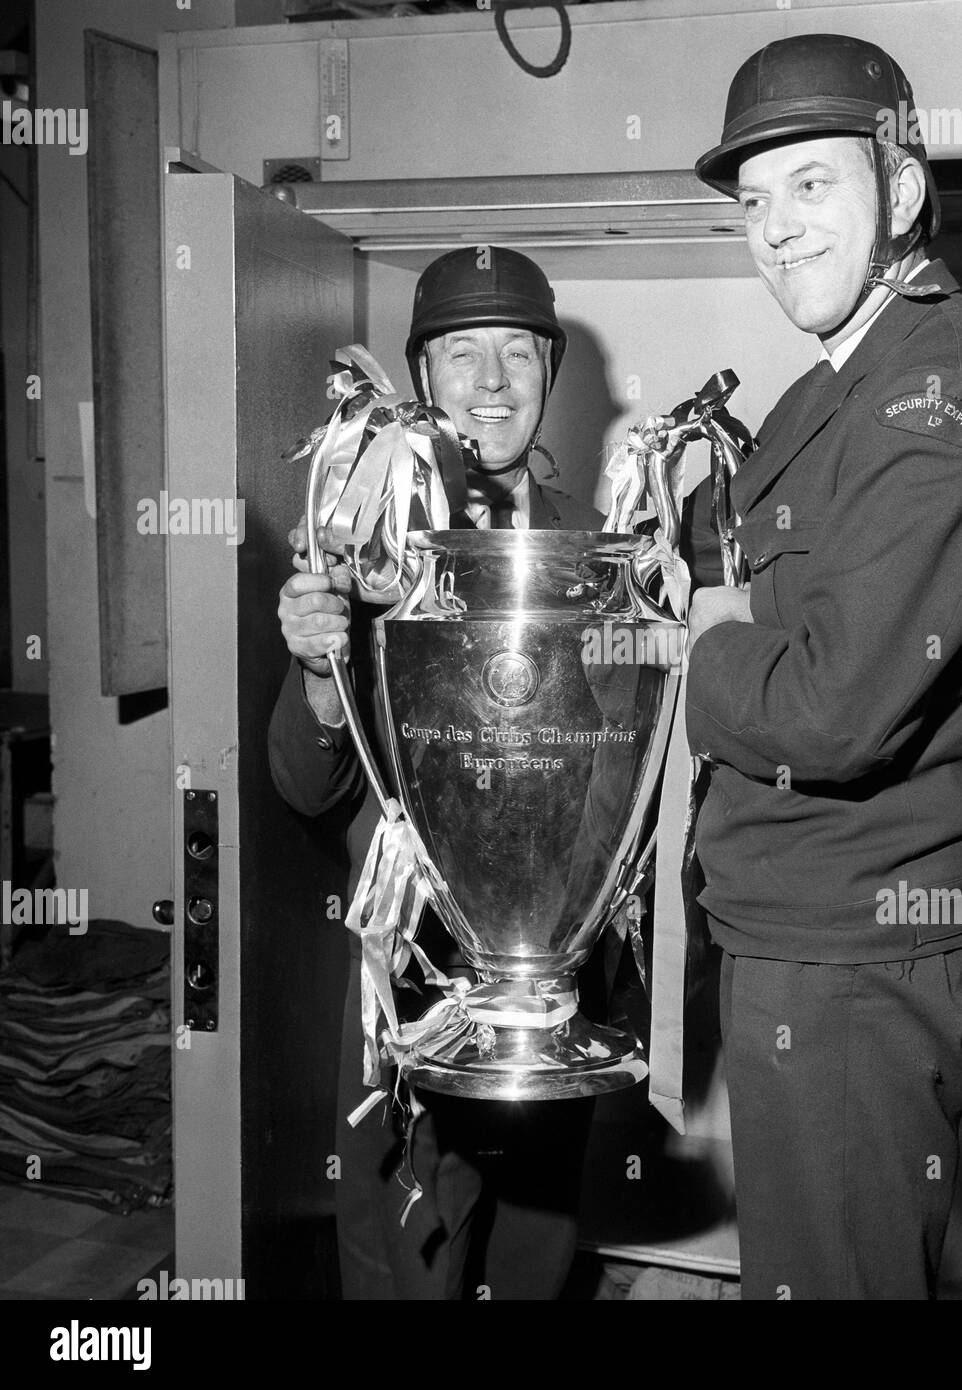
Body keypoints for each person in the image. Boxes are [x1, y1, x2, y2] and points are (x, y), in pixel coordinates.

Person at [683, 34, 962, 1298]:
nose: (773, 227)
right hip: (819, 929)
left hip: (859, 951)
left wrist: (707, 643)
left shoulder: (935, 397)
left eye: (810, 184)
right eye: (752, 198)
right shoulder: (851, 379)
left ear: (899, 191)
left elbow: (832, 711)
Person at [268, 247, 602, 1299]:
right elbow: (303, 786)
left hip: (550, 981)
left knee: (533, 1256)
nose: (492, 382)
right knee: (401, 1259)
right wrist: (320, 667)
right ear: (421, 376)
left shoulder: (600, 560)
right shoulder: (363, 551)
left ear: (549, 377)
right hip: (405, 984)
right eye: (463, 353)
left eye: (518, 354)